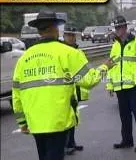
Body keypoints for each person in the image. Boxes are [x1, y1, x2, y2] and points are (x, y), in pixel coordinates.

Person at [12, 9, 113, 160]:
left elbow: (16, 94)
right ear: (55, 28)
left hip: (35, 122)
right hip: (58, 121)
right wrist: (105, 67)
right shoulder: (68, 53)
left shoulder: (24, 58)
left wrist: (22, 122)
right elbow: (89, 80)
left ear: (39, 30)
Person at [106, 15, 136, 152]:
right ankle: (127, 141)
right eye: (116, 27)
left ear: (125, 27)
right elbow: (111, 66)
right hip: (120, 87)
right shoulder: (115, 45)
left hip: (134, 86)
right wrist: (110, 85)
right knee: (124, 116)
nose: (118, 30)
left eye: (120, 27)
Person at [63, 26, 88, 155]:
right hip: (65, 90)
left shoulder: (78, 51)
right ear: (64, 36)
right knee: (66, 118)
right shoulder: (62, 51)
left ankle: (72, 142)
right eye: (68, 35)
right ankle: (66, 145)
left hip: (76, 89)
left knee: (73, 117)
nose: (71, 38)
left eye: (73, 35)